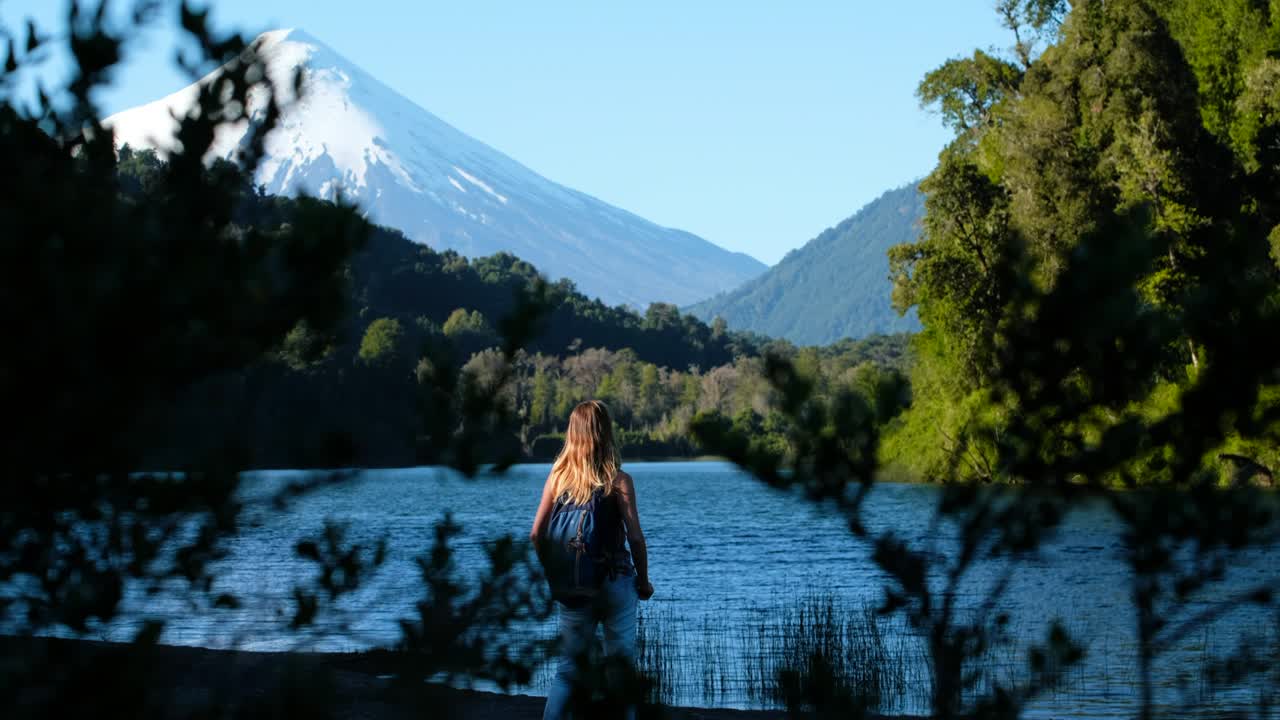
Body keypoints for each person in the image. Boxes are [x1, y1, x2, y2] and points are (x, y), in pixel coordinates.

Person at [530, 400, 654, 720]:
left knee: (568, 671)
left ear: (572, 434)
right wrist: (643, 581)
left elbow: (536, 535)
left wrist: (554, 576)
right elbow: (635, 538)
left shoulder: (558, 477)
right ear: (605, 433)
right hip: (616, 581)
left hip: (574, 586)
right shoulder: (618, 480)